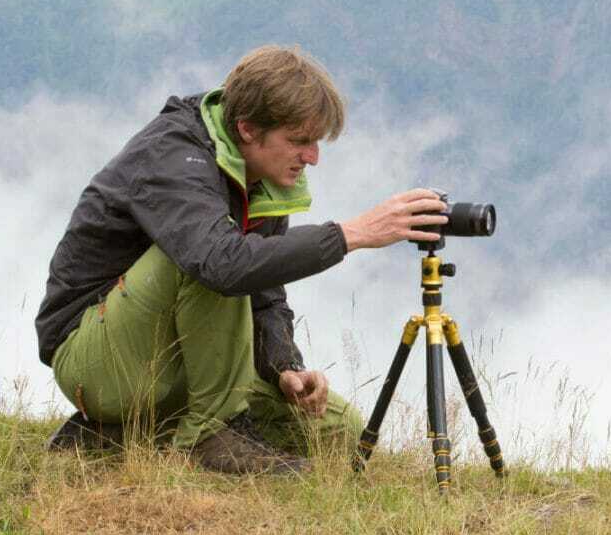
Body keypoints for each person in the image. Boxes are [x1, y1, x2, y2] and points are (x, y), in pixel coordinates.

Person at [36, 45, 448, 474]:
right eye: (299, 141)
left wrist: (283, 366)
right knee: (213, 260)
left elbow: (264, 291)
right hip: (95, 360)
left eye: (316, 142)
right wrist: (352, 234)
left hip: (175, 358)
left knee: (338, 432)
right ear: (247, 129)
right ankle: (210, 437)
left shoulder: (260, 177)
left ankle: (121, 434)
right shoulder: (172, 155)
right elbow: (223, 266)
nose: (312, 157)